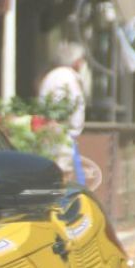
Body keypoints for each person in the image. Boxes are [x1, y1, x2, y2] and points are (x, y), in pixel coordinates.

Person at [38, 41, 88, 183]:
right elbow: (75, 107)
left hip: (49, 130)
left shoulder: (51, 76)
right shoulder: (68, 78)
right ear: (77, 61)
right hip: (62, 132)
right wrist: (74, 131)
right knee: (62, 174)